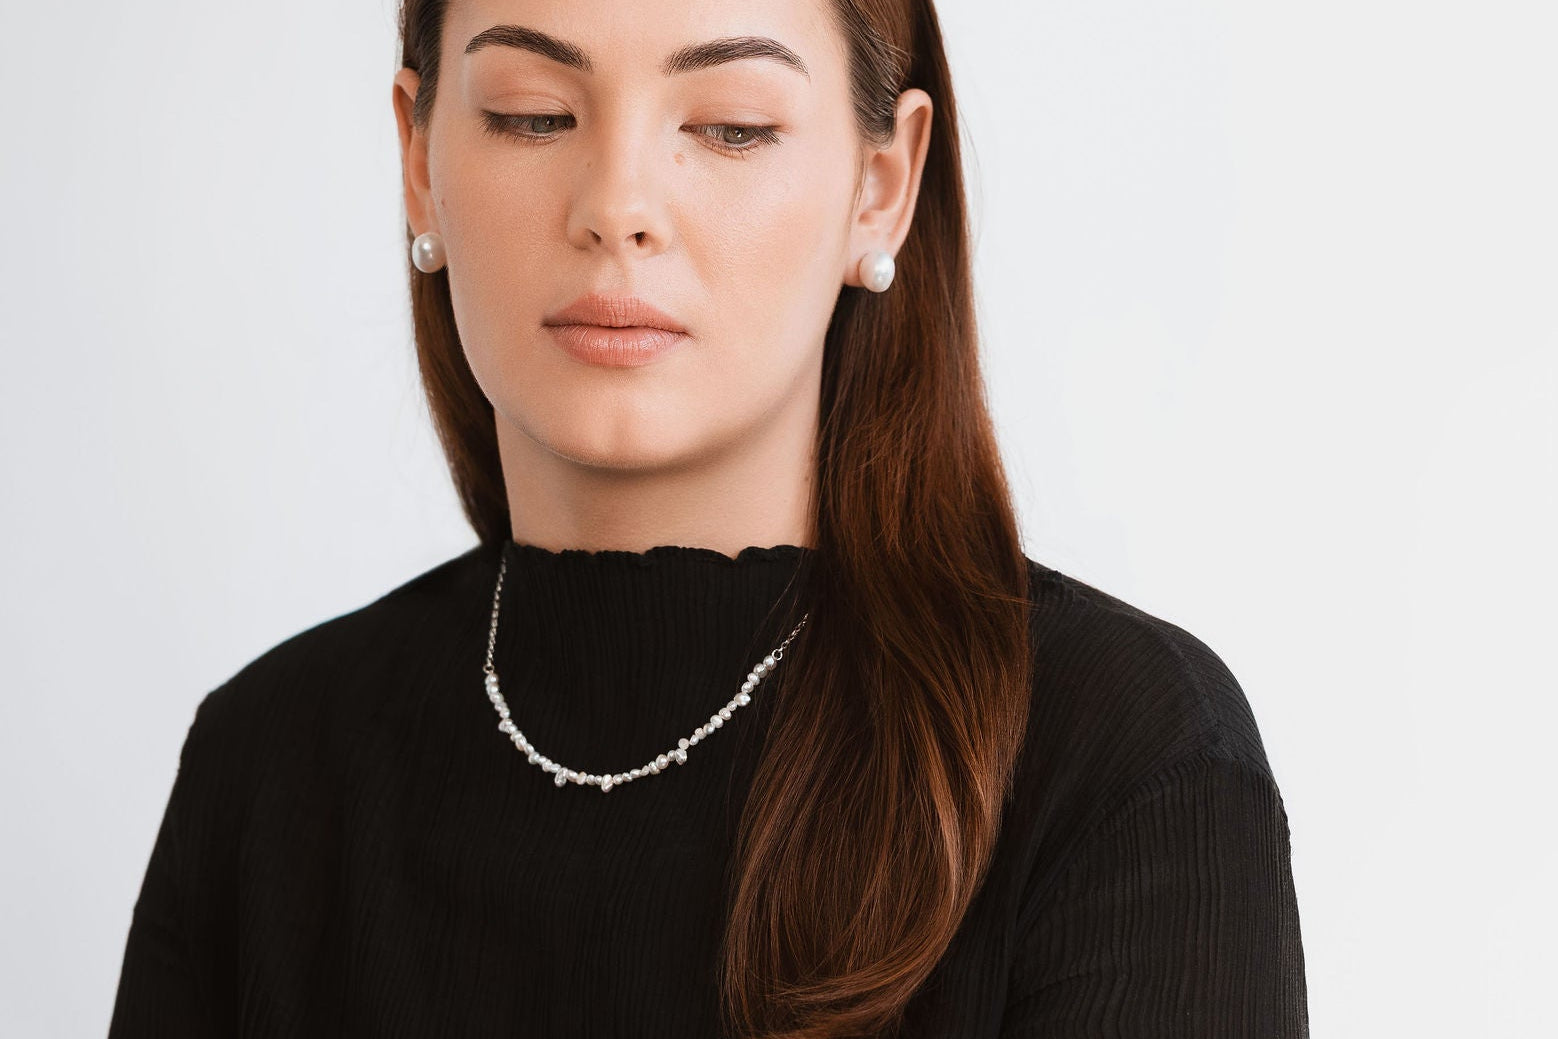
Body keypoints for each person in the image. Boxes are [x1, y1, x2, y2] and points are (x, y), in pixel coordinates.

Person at [108, 0, 1309, 1035]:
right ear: (419, 158)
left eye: (730, 126)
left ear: (880, 187)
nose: (617, 207)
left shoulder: (1123, 761)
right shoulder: (265, 767)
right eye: (532, 113)